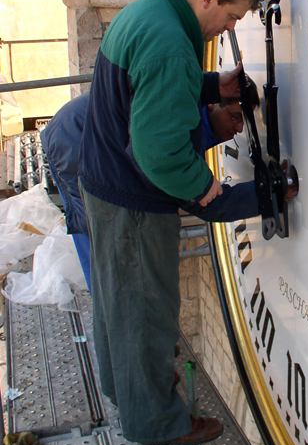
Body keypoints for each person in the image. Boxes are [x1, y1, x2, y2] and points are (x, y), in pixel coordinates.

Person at [77, 0, 265, 445]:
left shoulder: (149, 13)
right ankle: (156, 422)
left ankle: (126, 387)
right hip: (132, 202)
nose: (230, 28)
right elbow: (160, 154)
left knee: (117, 301)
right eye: (232, 16)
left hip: (102, 181)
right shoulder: (172, 47)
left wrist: (214, 85)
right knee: (146, 310)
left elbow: (151, 86)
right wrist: (205, 188)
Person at [41, 83, 261, 291]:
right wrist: (268, 194)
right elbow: (201, 200)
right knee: (98, 231)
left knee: (106, 232)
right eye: (235, 117)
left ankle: (111, 302)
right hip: (74, 136)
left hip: (74, 127)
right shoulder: (181, 124)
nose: (239, 128)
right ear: (212, 104)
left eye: (245, 121)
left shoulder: (190, 109)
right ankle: (108, 306)